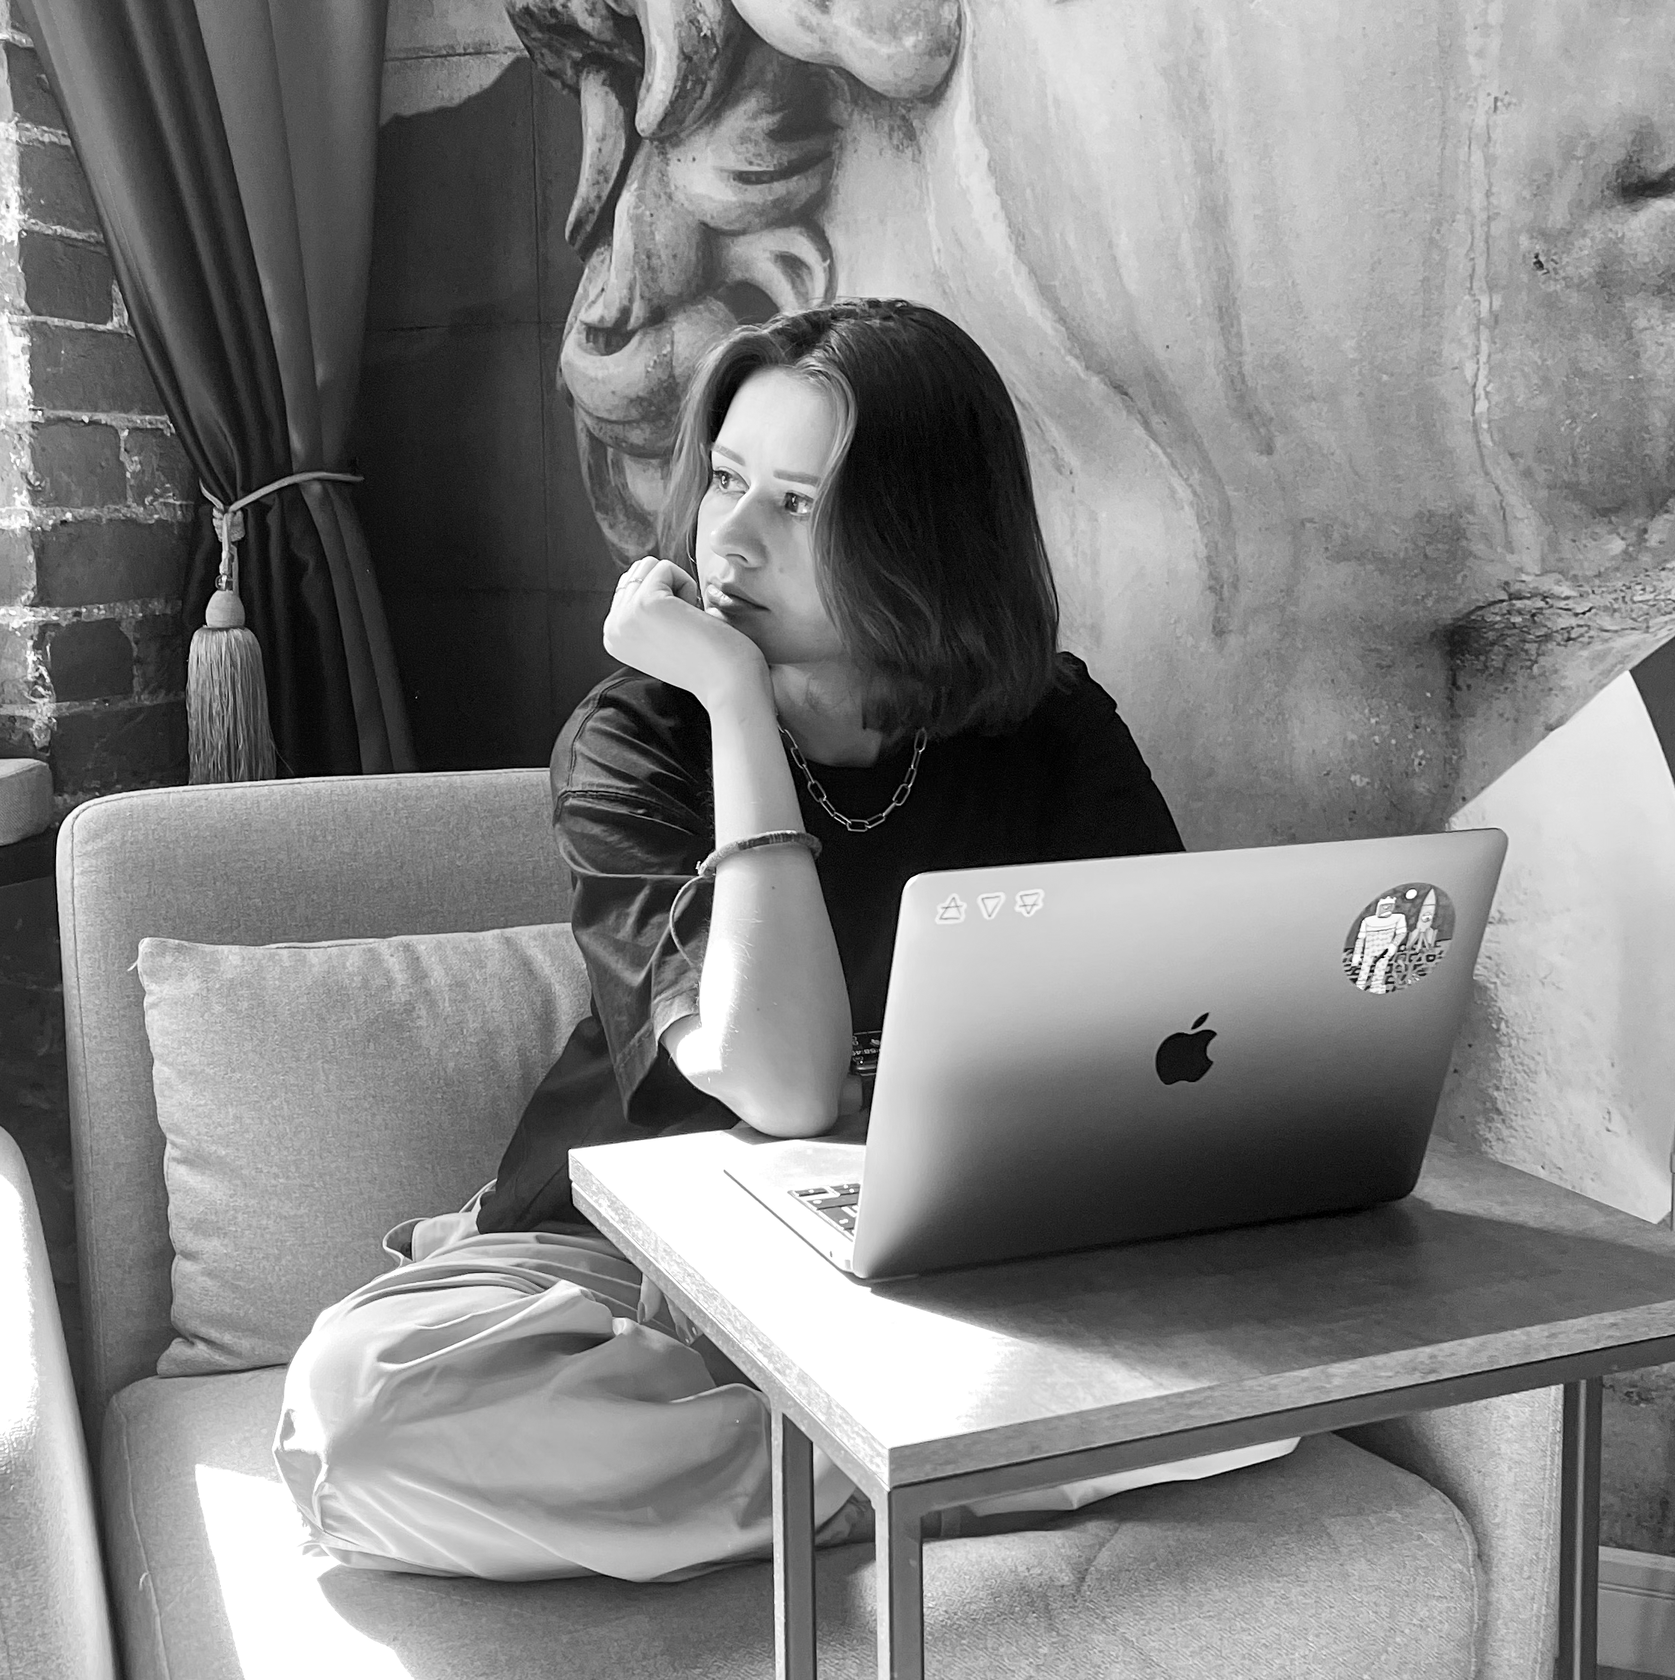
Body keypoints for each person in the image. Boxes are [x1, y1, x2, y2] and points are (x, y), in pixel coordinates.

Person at [274, 298, 1292, 1585]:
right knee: (361, 1425)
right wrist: (733, 700)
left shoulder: (1049, 728)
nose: (733, 537)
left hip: (928, 1266)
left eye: (798, 503)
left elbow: (1177, 1028)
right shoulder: (636, 739)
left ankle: (869, 1459)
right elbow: (781, 1083)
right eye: (727, 481)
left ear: (928, 530)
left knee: (1278, 1357)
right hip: (625, 1256)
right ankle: (952, 1472)